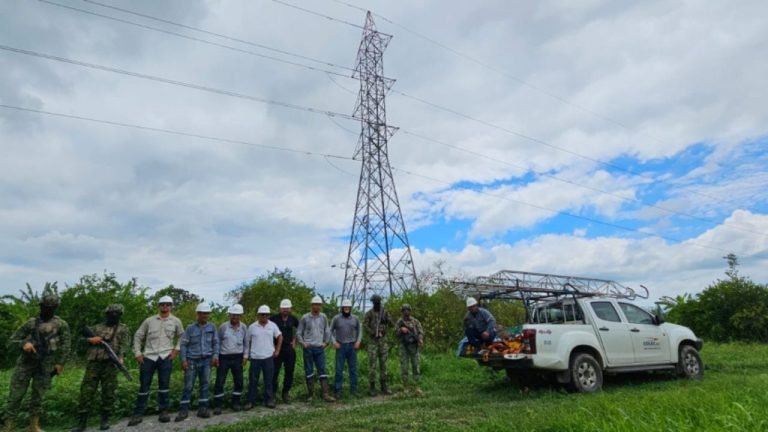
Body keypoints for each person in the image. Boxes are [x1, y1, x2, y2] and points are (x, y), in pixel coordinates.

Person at [3, 289, 70, 432]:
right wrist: (23, 344)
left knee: (38, 395)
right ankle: (8, 426)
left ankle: (34, 426)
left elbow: (66, 345)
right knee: (16, 395)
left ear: (55, 308)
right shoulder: (31, 323)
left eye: (50, 308)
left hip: (46, 364)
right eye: (45, 307)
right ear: (41, 306)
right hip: (26, 363)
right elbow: (11, 341)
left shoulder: (61, 325)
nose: (47, 310)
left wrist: (60, 363)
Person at [70, 304, 131, 432]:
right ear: (107, 314)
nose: (113, 316)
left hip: (110, 364)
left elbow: (124, 344)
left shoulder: (123, 329)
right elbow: (80, 341)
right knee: (86, 392)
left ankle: (105, 420)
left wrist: (121, 357)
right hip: (94, 363)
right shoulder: (96, 328)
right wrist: (90, 340)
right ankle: (82, 423)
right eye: (111, 313)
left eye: (116, 314)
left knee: (108, 393)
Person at [128, 295, 184, 426]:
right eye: (162, 304)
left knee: (164, 385)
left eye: (167, 304)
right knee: (144, 385)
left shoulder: (176, 321)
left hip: (165, 357)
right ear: (158, 306)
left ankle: (163, 411)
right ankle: (138, 413)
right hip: (148, 357)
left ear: (171, 306)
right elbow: (138, 336)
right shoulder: (149, 321)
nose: (165, 306)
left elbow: (183, 336)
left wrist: (176, 350)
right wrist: (137, 353)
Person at [176, 303, 220, 422]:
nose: (205, 315)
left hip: (207, 360)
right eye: (202, 313)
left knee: (205, 384)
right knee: (188, 386)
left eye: (207, 313)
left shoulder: (212, 327)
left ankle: (203, 409)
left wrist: (215, 356)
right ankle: (183, 410)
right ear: (198, 314)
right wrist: (183, 360)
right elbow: (183, 344)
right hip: (192, 361)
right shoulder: (190, 328)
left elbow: (216, 343)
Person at [296, 296, 335, 402]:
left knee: (322, 370)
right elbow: (299, 332)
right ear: (311, 305)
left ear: (320, 306)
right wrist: (303, 343)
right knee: (309, 371)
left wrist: (326, 342)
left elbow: (327, 330)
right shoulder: (305, 317)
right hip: (308, 348)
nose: (317, 307)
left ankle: (325, 394)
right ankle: (311, 395)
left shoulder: (323, 317)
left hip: (319, 348)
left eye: (318, 305)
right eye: (315, 304)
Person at [244, 305, 282, 409]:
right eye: (262, 315)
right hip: (255, 358)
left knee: (268, 380)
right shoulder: (252, 327)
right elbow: (247, 342)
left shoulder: (272, 326)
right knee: (253, 381)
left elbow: (279, 336)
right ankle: (251, 401)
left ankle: (269, 400)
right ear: (258, 315)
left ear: (268, 316)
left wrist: (277, 350)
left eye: (266, 315)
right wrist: (246, 355)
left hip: (268, 357)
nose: (264, 316)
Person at [212, 304, 248, 414]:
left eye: (237, 315)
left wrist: (245, 356)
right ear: (229, 315)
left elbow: (246, 343)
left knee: (239, 381)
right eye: (233, 315)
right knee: (220, 381)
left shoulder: (244, 327)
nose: (235, 317)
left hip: (238, 357)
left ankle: (235, 403)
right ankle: (218, 405)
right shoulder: (223, 327)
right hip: (224, 357)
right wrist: (216, 356)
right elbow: (217, 342)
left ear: (240, 316)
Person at [363, 294, 393, 396]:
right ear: (372, 303)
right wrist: (371, 332)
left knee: (384, 365)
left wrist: (386, 319)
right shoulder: (369, 313)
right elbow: (365, 325)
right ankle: (372, 387)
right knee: (372, 365)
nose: (377, 304)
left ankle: (384, 386)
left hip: (383, 341)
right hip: (373, 342)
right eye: (375, 302)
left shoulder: (385, 312)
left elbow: (392, 324)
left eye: (378, 302)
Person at [331, 299, 362, 399]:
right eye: (345, 307)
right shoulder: (336, 318)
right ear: (342, 308)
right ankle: (338, 390)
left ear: (351, 308)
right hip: (340, 346)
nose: (346, 309)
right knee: (339, 369)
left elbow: (360, 330)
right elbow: (329, 331)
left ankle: (354, 390)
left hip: (352, 346)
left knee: (353, 369)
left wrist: (358, 341)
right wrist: (334, 342)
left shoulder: (355, 319)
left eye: (348, 307)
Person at [270, 299, 299, 403]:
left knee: (289, 372)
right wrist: (272, 345)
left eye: (287, 308)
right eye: (283, 308)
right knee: (274, 372)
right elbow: (268, 331)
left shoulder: (293, 319)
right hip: (276, 349)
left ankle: (285, 393)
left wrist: (295, 341)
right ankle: (272, 394)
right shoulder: (273, 319)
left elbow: (300, 329)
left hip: (289, 349)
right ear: (280, 308)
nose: (285, 310)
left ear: (290, 309)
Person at [395, 304, 424, 395]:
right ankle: (405, 387)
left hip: (414, 347)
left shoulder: (415, 321)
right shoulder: (399, 322)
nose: (406, 311)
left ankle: (417, 386)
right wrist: (401, 330)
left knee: (416, 366)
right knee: (404, 367)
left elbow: (421, 331)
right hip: (403, 347)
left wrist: (420, 339)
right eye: (404, 310)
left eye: (408, 310)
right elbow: (394, 332)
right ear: (402, 311)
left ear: (410, 311)